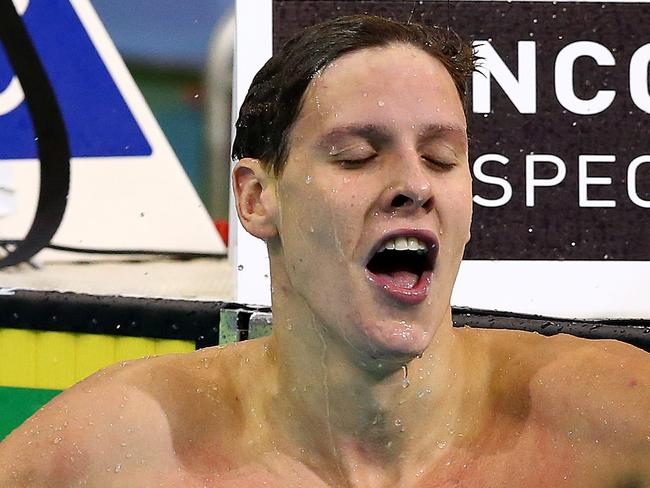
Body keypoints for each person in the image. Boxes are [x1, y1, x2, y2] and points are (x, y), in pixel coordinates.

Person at [1, 14, 649, 488]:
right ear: (256, 198)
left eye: (442, 158)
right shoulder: (125, 447)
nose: (414, 185)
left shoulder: (602, 419)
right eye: (357, 156)